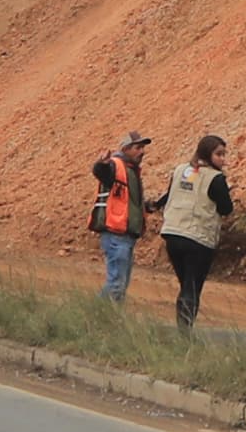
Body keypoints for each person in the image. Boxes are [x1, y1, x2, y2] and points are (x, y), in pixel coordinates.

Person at [155, 131, 233, 332]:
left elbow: (168, 196)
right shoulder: (216, 179)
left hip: (172, 233)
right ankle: (185, 333)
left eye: (224, 154)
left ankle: (183, 328)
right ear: (207, 154)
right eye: (219, 154)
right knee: (192, 286)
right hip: (198, 239)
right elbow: (226, 208)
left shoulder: (181, 170)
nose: (223, 159)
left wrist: (153, 205)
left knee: (186, 284)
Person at [90, 130, 152, 301]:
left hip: (125, 235)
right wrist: (101, 164)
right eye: (138, 147)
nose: (142, 151)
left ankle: (102, 315)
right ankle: (99, 315)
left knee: (120, 284)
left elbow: (126, 201)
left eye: (142, 148)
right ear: (125, 148)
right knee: (116, 284)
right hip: (116, 234)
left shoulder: (131, 170)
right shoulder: (115, 166)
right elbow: (101, 172)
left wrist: (146, 207)